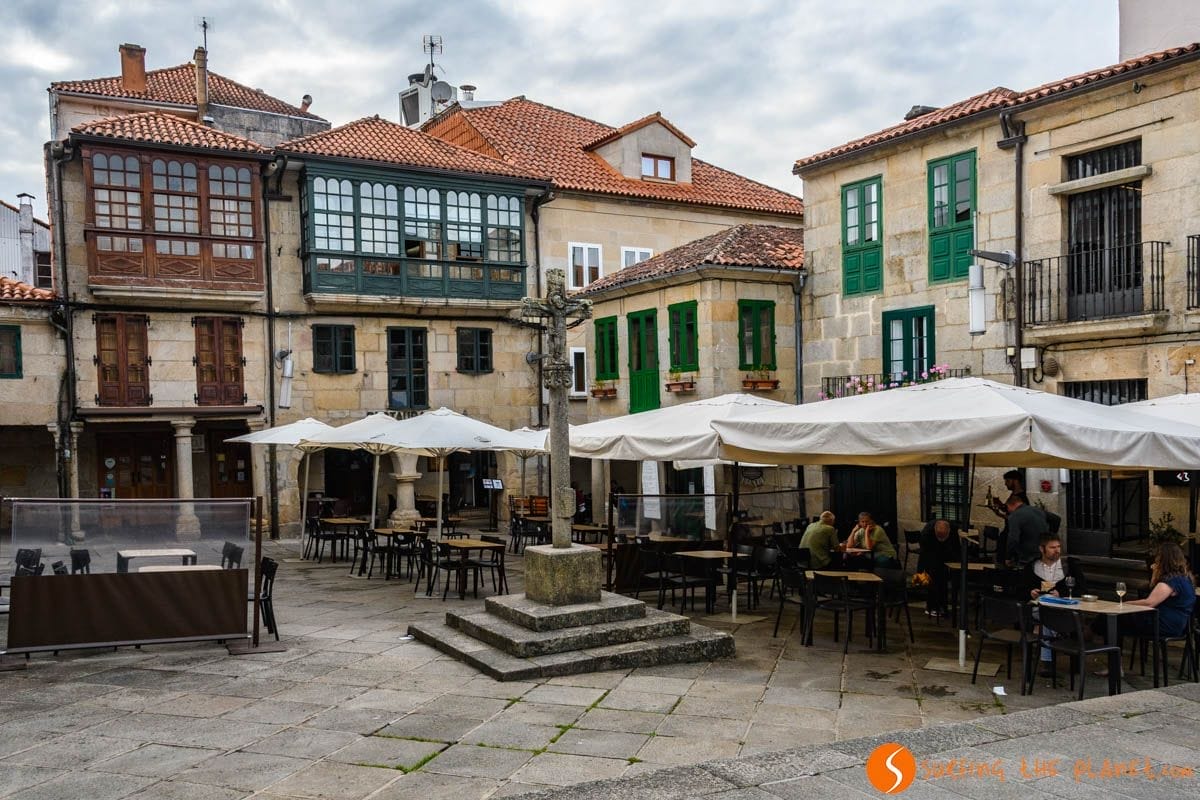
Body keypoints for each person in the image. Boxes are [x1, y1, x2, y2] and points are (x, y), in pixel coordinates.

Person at [1023, 532, 1087, 676]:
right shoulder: (1032, 567)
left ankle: (1048, 663)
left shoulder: (1069, 566)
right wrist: (1031, 592)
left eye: (1058, 547)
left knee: (1048, 619)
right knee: (1046, 614)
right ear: (1042, 549)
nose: (1057, 550)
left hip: (1064, 608)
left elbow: (1082, 589)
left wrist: (1061, 594)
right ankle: (1060, 639)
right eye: (1052, 547)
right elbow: (1022, 589)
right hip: (1039, 608)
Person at [916, 519, 960, 617]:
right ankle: (931, 606)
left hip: (945, 553)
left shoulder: (953, 529)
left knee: (943, 580)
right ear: (935, 531)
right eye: (939, 537)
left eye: (944, 537)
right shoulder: (927, 533)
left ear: (948, 532)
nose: (941, 540)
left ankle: (943, 606)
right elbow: (924, 552)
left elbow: (956, 547)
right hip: (930, 554)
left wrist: (956, 563)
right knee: (932, 579)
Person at [1004, 494, 1047, 566]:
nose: (1008, 511)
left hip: (1027, 556)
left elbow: (1013, 538)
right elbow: (1056, 519)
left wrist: (1008, 557)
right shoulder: (1037, 510)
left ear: (1010, 505)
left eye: (1007, 508)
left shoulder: (1015, 516)